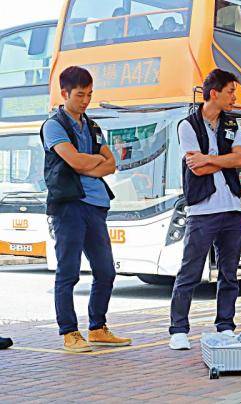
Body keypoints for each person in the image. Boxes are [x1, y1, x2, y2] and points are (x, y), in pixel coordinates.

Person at [41, 66, 131, 352]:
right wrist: (92, 163)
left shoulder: (92, 126)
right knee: (68, 272)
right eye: (80, 94)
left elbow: (111, 163)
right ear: (65, 93)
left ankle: (97, 327)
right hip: (69, 205)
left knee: (106, 271)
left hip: (96, 205)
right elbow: (77, 162)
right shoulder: (53, 125)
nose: (86, 100)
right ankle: (69, 332)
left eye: (90, 94)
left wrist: (86, 162)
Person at [169, 69, 241, 350]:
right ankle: (178, 329)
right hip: (201, 210)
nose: (234, 98)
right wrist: (219, 160)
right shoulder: (187, 126)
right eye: (230, 92)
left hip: (232, 209)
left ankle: (225, 325)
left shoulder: (232, 125)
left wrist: (210, 159)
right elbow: (195, 165)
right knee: (190, 271)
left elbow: (238, 160)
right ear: (215, 93)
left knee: (230, 272)